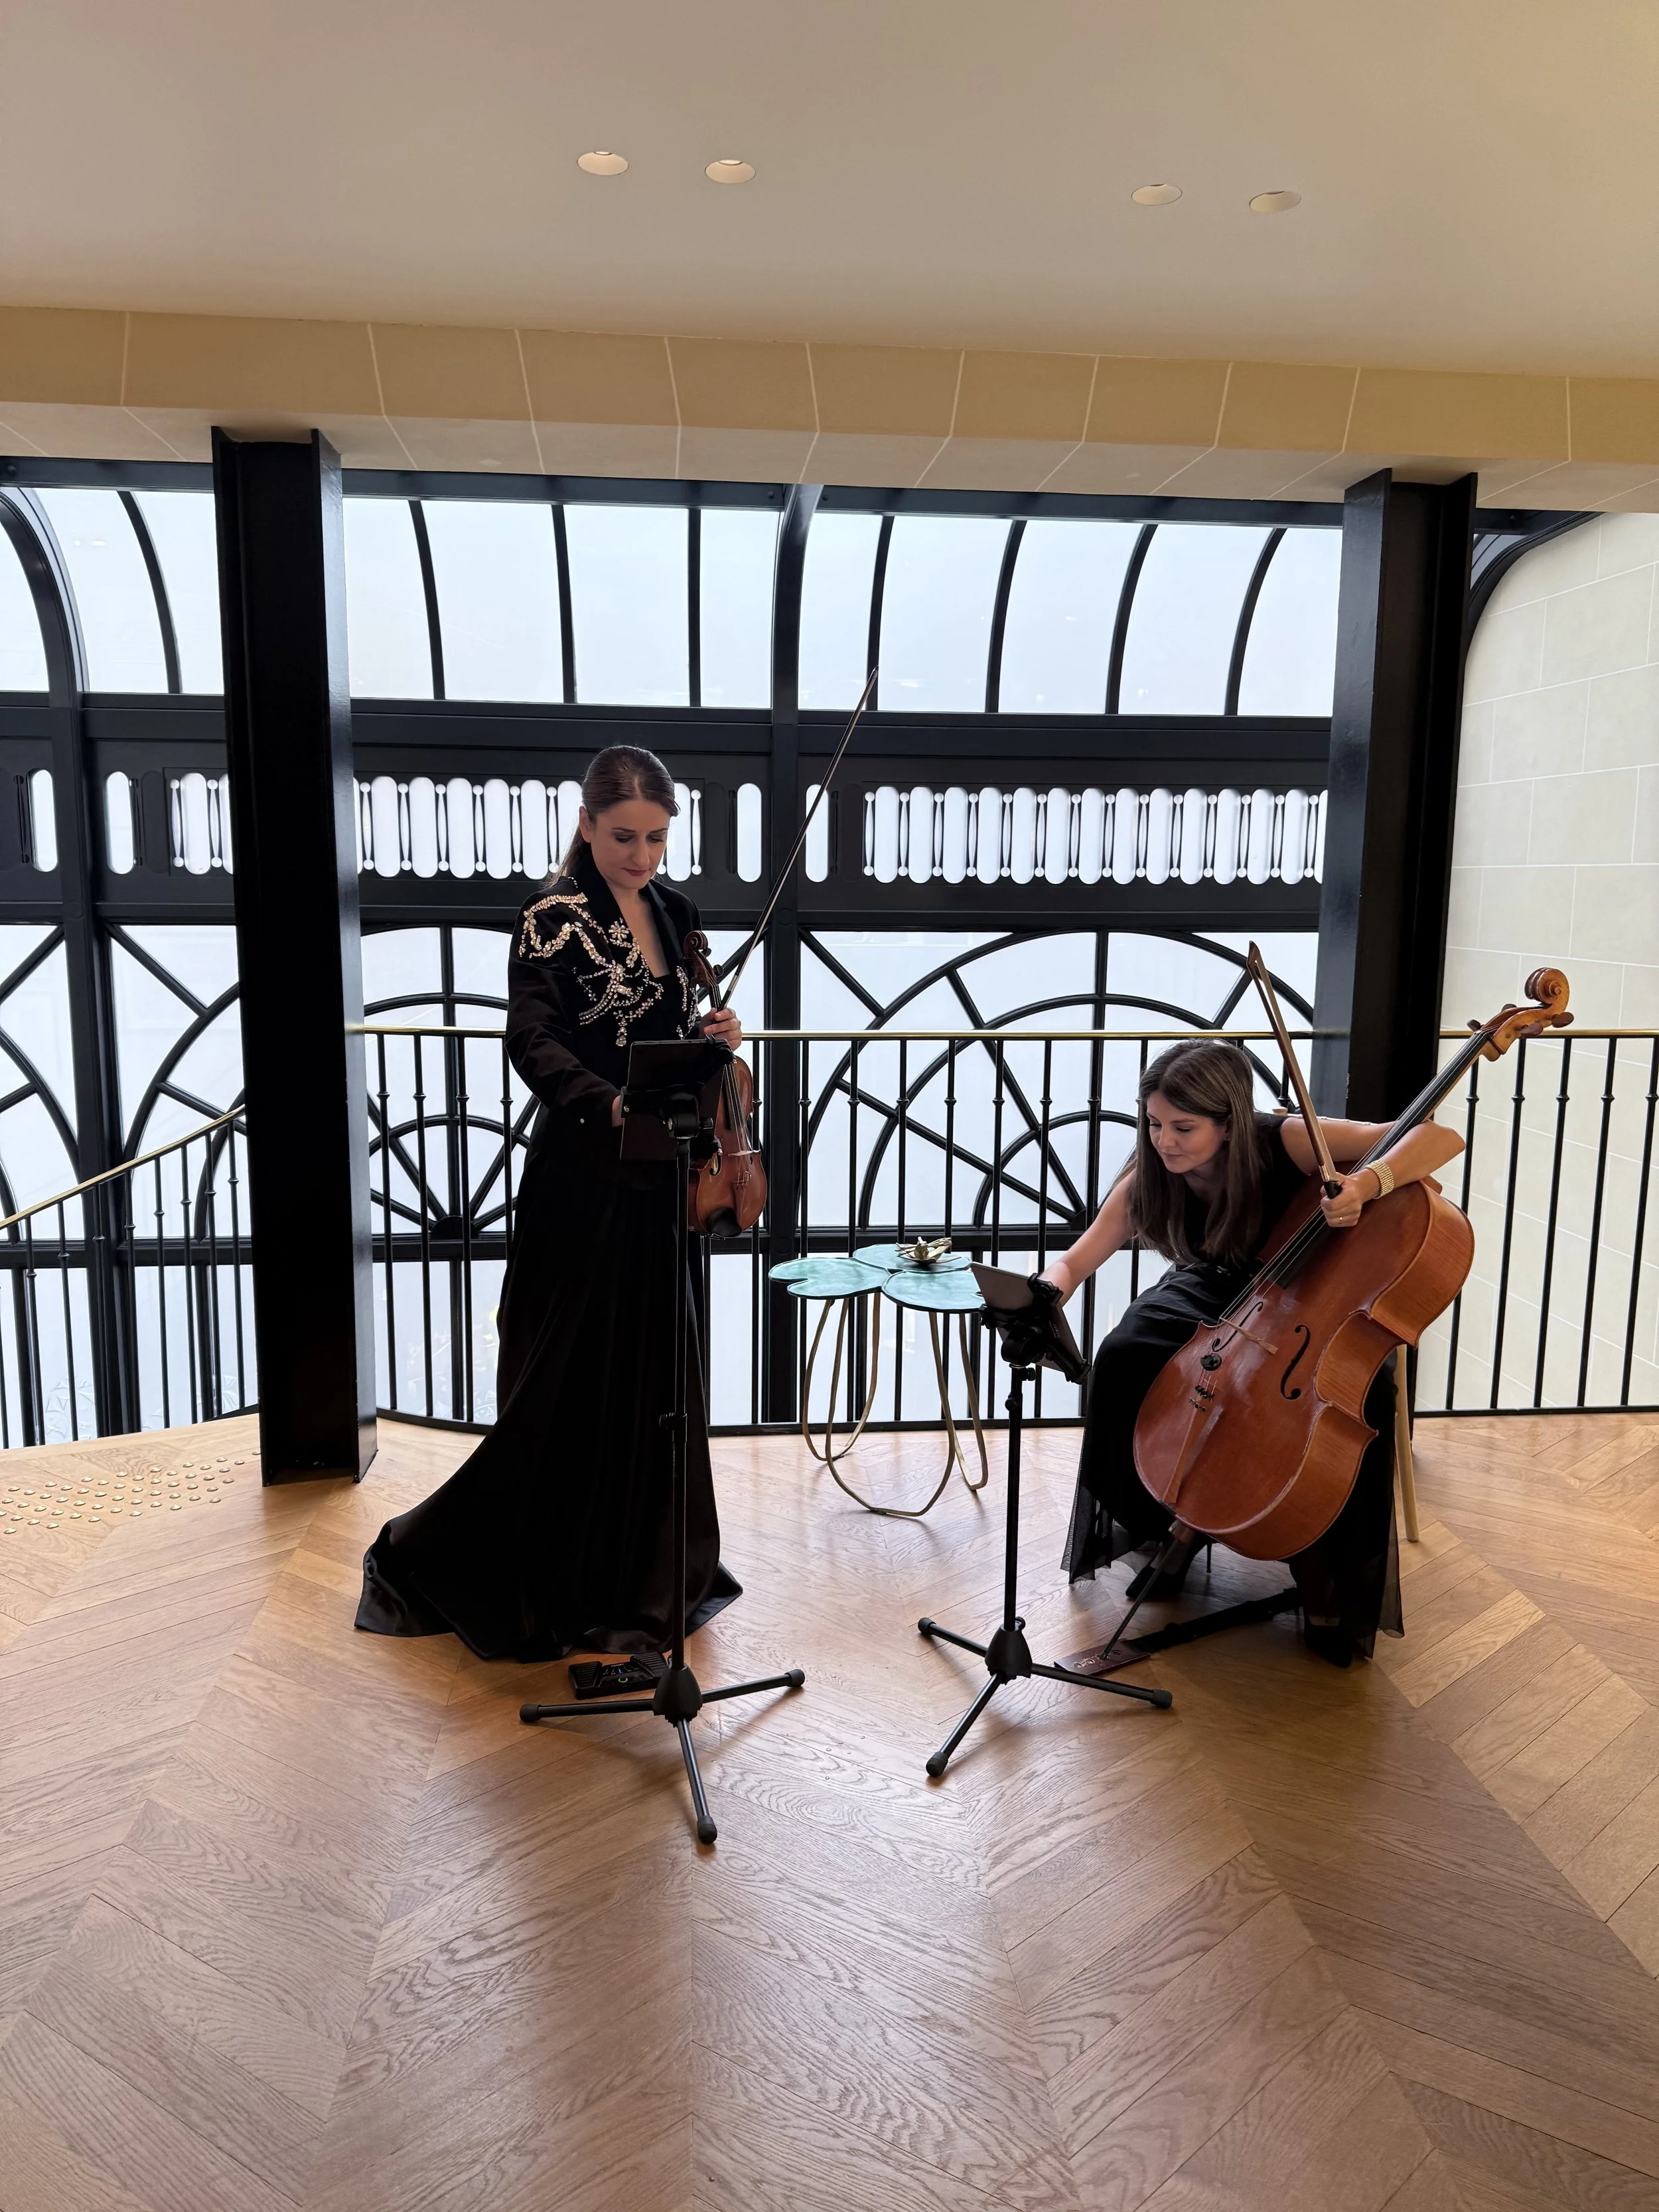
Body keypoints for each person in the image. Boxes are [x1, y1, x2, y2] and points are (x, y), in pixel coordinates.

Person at [356, 745, 743, 1665]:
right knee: (568, 1377)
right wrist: (601, 1102)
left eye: (656, 838)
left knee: (656, 1378)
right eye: (624, 837)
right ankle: (550, 1573)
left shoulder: (678, 913)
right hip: (583, 1177)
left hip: (664, 1178)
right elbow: (530, 1039)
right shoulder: (550, 918)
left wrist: (719, 1035)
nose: (641, 855)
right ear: (585, 824)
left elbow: (678, 1035)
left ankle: (646, 1574)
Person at [1041, 1039, 1463, 1666]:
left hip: (1310, 1296)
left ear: (1229, 1122)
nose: (1164, 1141)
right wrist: (1045, 1291)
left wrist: (1366, 1183)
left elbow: (1439, 1137)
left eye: (1183, 1127)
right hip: (1211, 1286)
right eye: (1154, 1124)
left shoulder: (1283, 1139)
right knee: (1126, 1352)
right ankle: (1177, 1520)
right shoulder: (1150, 1173)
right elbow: (1077, 1259)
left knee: (1358, 1402)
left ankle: (1320, 1566)